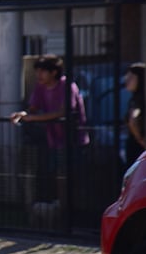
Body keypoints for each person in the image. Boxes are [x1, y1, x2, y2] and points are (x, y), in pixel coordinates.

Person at [10, 55, 89, 207]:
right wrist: (23, 114)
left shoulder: (67, 85)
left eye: (42, 71)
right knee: (58, 177)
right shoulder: (40, 87)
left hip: (73, 140)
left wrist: (33, 118)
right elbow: (32, 109)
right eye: (37, 71)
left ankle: (75, 212)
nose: (38, 75)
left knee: (71, 178)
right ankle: (63, 211)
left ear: (53, 72)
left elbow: (63, 112)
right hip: (54, 140)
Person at [123, 62, 146, 168]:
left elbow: (133, 119)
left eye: (131, 77)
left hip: (137, 146)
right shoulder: (136, 97)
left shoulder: (138, 99)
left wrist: (140, 139)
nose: (126, 80)